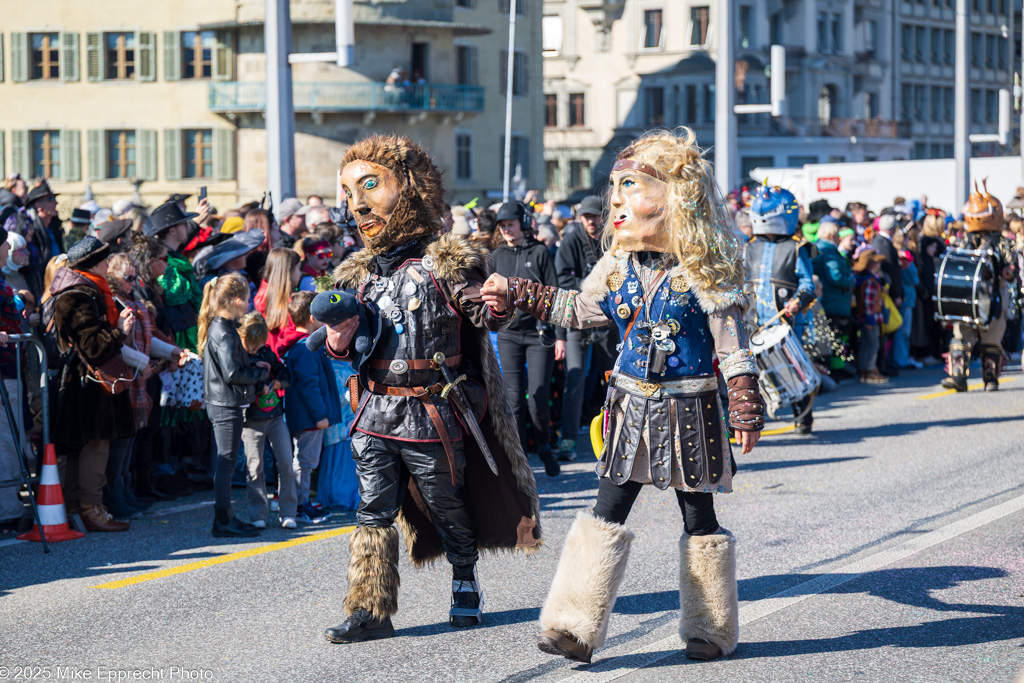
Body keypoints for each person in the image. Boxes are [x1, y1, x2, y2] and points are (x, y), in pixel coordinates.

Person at [481, 128, 766, 664]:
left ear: (675, 196)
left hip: (691, 409)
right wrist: (518, 292)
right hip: (630, 405)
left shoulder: (707, 266)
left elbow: (732, 346)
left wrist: (745, 404)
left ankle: (710, 629)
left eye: (629, 188)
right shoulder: (615, 264)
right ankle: (573, 626)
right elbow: (580, 312)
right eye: (615, 190)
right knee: (607, 508)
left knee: (698, 518)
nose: (616, 203)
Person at [320, 134, 540, 643]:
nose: (358, 204)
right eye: (350, 191)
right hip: (373, 410)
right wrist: (337, 341)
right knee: (372, 509)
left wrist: (497, 305)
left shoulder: (446, 261)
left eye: (370, 186)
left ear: (412, 188)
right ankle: (370, 610)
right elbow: (344, 349)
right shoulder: (356, 274)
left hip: (430, 413)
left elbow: (479, 310)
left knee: (444, 502)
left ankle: (464, 577)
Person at [49, 237, 137, 532]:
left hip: (84, 381)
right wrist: (120, 332)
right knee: (94, 446)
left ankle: (79, 507)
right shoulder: (78, 294)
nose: (108, 265)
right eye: (104, 260)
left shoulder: (83, 290)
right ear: (93, 263)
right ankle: (91, 509)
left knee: (85, 446)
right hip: (85, 382)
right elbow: (92, 346)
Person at [489, 200, 563, 476]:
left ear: (524, 223)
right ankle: (520, 459)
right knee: (514, 400)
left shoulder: (540, 251)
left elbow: (556, 295)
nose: (506, 230)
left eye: (510, 224)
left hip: (538, 334)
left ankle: (544, 446)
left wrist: (559, 336)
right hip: (509, 335)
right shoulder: (495, 255)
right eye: (502, 225)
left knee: (539, 396)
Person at [199, 273, 270, 538]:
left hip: (221, 401)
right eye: (248, 299)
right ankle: (222, 520)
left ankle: (226, 517)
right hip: (225, 403)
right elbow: (232, 374)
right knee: (226, 462)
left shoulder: (221, 326)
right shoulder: (226, 331)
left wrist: (253, 366)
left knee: (226, 462)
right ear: (237, 300)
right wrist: (261, 374)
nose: (249, 304)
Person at [744, 184, 818, 434]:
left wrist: (796, 303)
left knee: (792, 366)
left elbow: (808, 284)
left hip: (785, 321)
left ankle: (803, 416)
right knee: (750, 371)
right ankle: (749, 418)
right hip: (753, 319)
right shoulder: (749, 246)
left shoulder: (797, 247)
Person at [553, 194, 617, 461]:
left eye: (595, 216)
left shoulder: (612, 239)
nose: (591, 221)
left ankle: (616, 434)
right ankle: (568, 439)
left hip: (608, 319)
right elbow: (562, 280)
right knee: (575, 380)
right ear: (580, 218)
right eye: (586, 217)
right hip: (578, 319)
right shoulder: (570, 240)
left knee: (613, 379)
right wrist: (596, 282)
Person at [941, 182, 1019, 391]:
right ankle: (958, 376)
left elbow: (1012, 269)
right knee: (961, 336)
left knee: (991, 338)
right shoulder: (963, 241)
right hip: (967, 295)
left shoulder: (1003, 243)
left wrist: (1008, 272)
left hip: (994, 294)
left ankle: (990, 378)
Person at [281, 291, 341, 524]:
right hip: (309, 418)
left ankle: (300, 502)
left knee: (305, 461)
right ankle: (300, 505)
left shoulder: (303, 346)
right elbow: (309, 386)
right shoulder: (307, 347)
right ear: (312, 317)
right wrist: (320, 416)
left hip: (307, 417)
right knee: (305, 462)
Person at [238, 312, 298, 530]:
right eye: (250, 344)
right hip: (251, 420)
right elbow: (236, 381)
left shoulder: (266, 352)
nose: (255, 349)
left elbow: (283, 370)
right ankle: (258, 514)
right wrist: (258, 382)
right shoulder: (237, 355)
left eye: (258, 344)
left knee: (286, 464)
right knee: (255, 468)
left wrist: (279, 381)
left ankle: (288, 511)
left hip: (274, 416)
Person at [0, 221, 30, 528]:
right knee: (6, 440)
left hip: (9, 367)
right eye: (5, 243)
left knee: (10, 437)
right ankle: (6, 510)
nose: (9, 248)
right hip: (3, 369)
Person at [147, 201, 203, 352]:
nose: (187, 227)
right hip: (180, 335)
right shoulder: (164, 262)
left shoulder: (175, 257)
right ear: (172, 231)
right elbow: (174, 299)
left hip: (190, 327)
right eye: (183, 224)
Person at [813, 222, 855, 375]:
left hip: (827, 299)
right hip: (833, 301)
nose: (839, 238)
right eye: (837, 235)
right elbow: (835, 276)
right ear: (831, 235)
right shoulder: (829, 251)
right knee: (835, 336)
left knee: (830, 336)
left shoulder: (818, 248)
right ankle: (837, 370)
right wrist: (851, 280)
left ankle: (834, 368)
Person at [254, 248, 303, 356]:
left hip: (269, 357)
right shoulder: (289, 303)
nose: (300, 274)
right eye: (298, 268)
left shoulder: (262, 294)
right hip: (283, 358)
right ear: (288, 272)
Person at [851, 245, 889, 384]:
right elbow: (868, 303)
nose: (878, 265)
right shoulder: (870, 281)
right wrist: (869, 319)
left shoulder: (867, 279)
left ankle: (865, 369)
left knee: (868, 344)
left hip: (869, 317)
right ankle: (868, 370)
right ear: (871, 264)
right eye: (876, 262)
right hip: (870, 318)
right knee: (872, 344)